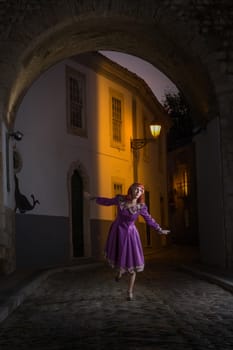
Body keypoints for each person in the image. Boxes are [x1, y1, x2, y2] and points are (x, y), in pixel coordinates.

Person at [90, 183, 169, 301]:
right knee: (118, 256)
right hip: (117, 231)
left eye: (140, 190)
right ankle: (119, 272)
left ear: (142, 193)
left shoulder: (141, 207)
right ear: (131, 190)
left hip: (131, 234)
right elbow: (108, 201)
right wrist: (95, 198)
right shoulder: (120, 199)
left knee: (133, 261)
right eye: (136, 189)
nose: (138, 192)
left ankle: (129, 292)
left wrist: (159, 229)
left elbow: (149, 219)